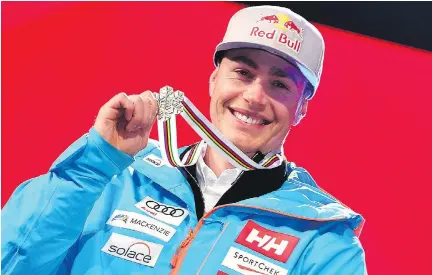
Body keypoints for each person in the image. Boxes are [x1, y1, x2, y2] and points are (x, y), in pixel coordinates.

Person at [1, 5, 367, 275]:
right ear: (213, 81)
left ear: (301, 107)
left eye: (280, 84)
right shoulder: (118, 176)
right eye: (242, 72)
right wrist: (95, 164)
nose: (255, 96)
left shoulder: (324, 240)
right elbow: (14, 264)